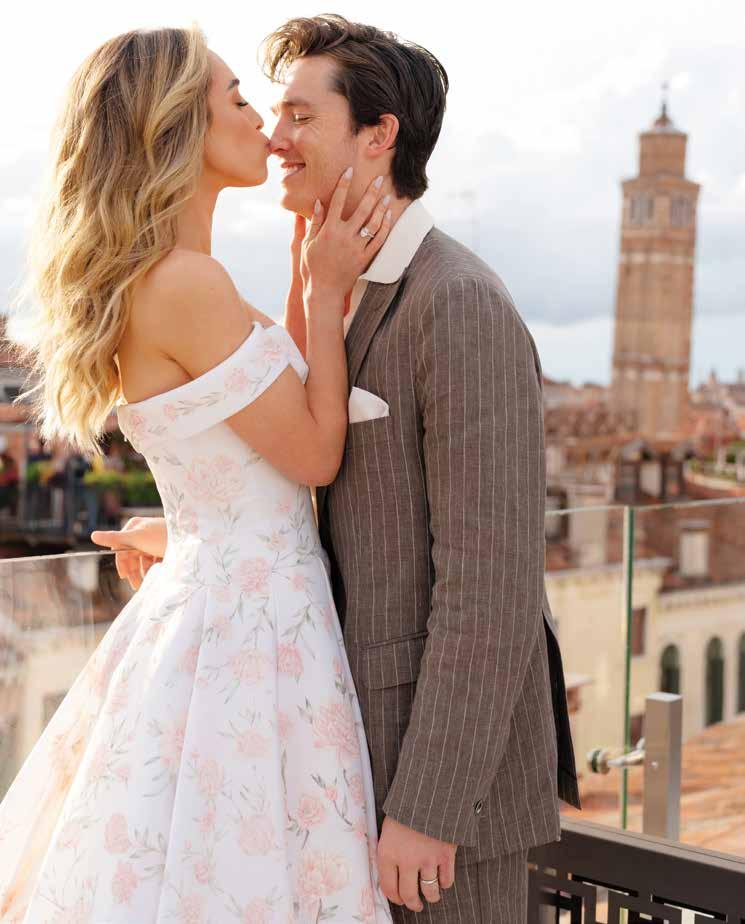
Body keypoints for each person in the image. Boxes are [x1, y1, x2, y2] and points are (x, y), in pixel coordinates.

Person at [94, 15, 581, 923]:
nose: (275, 135)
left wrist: (429, 809)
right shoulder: (339, 287)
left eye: (299, 116)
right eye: (264, 111)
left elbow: (491, 587)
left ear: (377, 134)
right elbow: (332, 487)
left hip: (432, 797)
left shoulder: (457, 301)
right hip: (330, 753)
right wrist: (204, 537)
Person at [0, 26, 395, 923]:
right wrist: (326, 291)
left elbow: (243, 443)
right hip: (253, 631)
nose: (263, 122)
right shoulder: (187, 284)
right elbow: (313, 454)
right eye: (237, 99)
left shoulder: (173, 278)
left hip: (221, 601)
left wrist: (183, 531)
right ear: (176, 125)